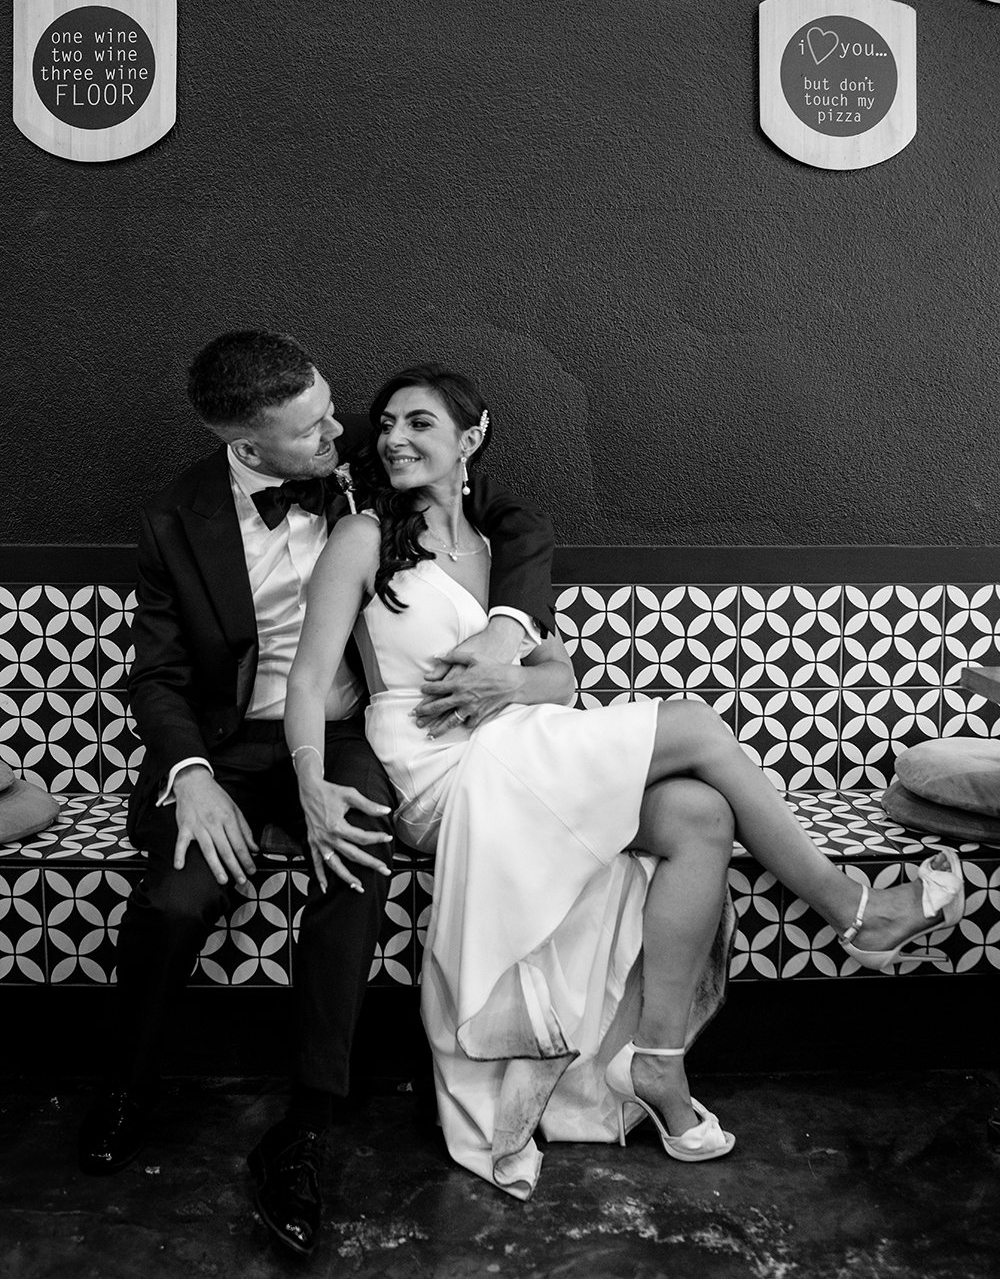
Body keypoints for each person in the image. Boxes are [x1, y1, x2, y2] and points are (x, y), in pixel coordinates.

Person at [285, 363, 967, 1201]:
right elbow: (308, 681)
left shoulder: (500, 552)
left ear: (470, 441)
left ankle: (658, 1064)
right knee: (694, 724)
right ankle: (852, 908)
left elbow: (560, 679)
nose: (393, 438)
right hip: (442, 768)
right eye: (386, 424)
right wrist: (313, 787)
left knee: (698, 816)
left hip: (521, 742)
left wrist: (512, 680)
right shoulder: (361, 540)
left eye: (419, 423)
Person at [77, 332, 557, 1257]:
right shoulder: (175, 516)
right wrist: (193, 779)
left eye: (334, 408)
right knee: (178, 898)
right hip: (221, 750)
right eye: (312, 427)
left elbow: (511, 520)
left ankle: (307, 1127)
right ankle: (125, 1086)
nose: (343, 431)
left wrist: (511, 623)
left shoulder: (376, 478)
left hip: (341, 737)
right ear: (250, 447)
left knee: (355, 863)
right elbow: (160, 678)